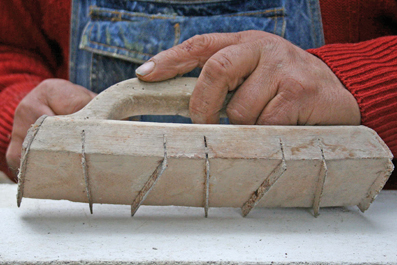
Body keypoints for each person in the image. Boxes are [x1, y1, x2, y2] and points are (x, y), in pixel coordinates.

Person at [0, 0, 396, 187]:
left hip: (344, 235)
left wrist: (358, 79)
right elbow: (11, 48)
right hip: (97, 231)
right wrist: (21, 103)